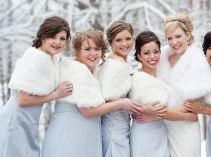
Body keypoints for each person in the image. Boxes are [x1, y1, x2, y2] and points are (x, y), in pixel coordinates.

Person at [41, 28, 142, 157]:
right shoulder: (77, 72)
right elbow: (87, 111)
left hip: (84, 136)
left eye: (97, 49)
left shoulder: (92, 71)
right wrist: (121, 103)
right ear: (77, 51)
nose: (93, 53)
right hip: (69, 137)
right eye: (87, 49)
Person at [0, 16, 73, 157]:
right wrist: (56, 94)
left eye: (62, 38)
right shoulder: (34, 59)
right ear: (43, 37)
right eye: (53, 37)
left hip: (29, 120)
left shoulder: (51, 58)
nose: (58, 42)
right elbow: (23, 100)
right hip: (16, 119)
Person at [129, 31, 199, 157]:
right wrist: (188, 116)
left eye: (156, 51)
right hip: (145, 135)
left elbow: (163, 112)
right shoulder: (139, 79)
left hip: (161, 133)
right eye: (146, 53)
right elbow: (161, 111)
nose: (152, 56)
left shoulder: (161, 76)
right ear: (139, 56)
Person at [157, 13, 211, 157]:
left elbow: (192, 103)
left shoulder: (197, 60)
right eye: (169, 38)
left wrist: (163, 113)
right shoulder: (161, 56)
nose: (174, 42)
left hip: (185, 128)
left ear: (188, 35)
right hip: (160, 128)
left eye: (178, 36)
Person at [97, 20, 138, 157]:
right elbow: (105, 96)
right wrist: (129, 105)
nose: (125, 44)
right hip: (113, 127)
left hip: (123, 125)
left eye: (128, 39)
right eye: (119, 40)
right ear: (110, 43)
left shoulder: (122, 62)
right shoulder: (113, 64)